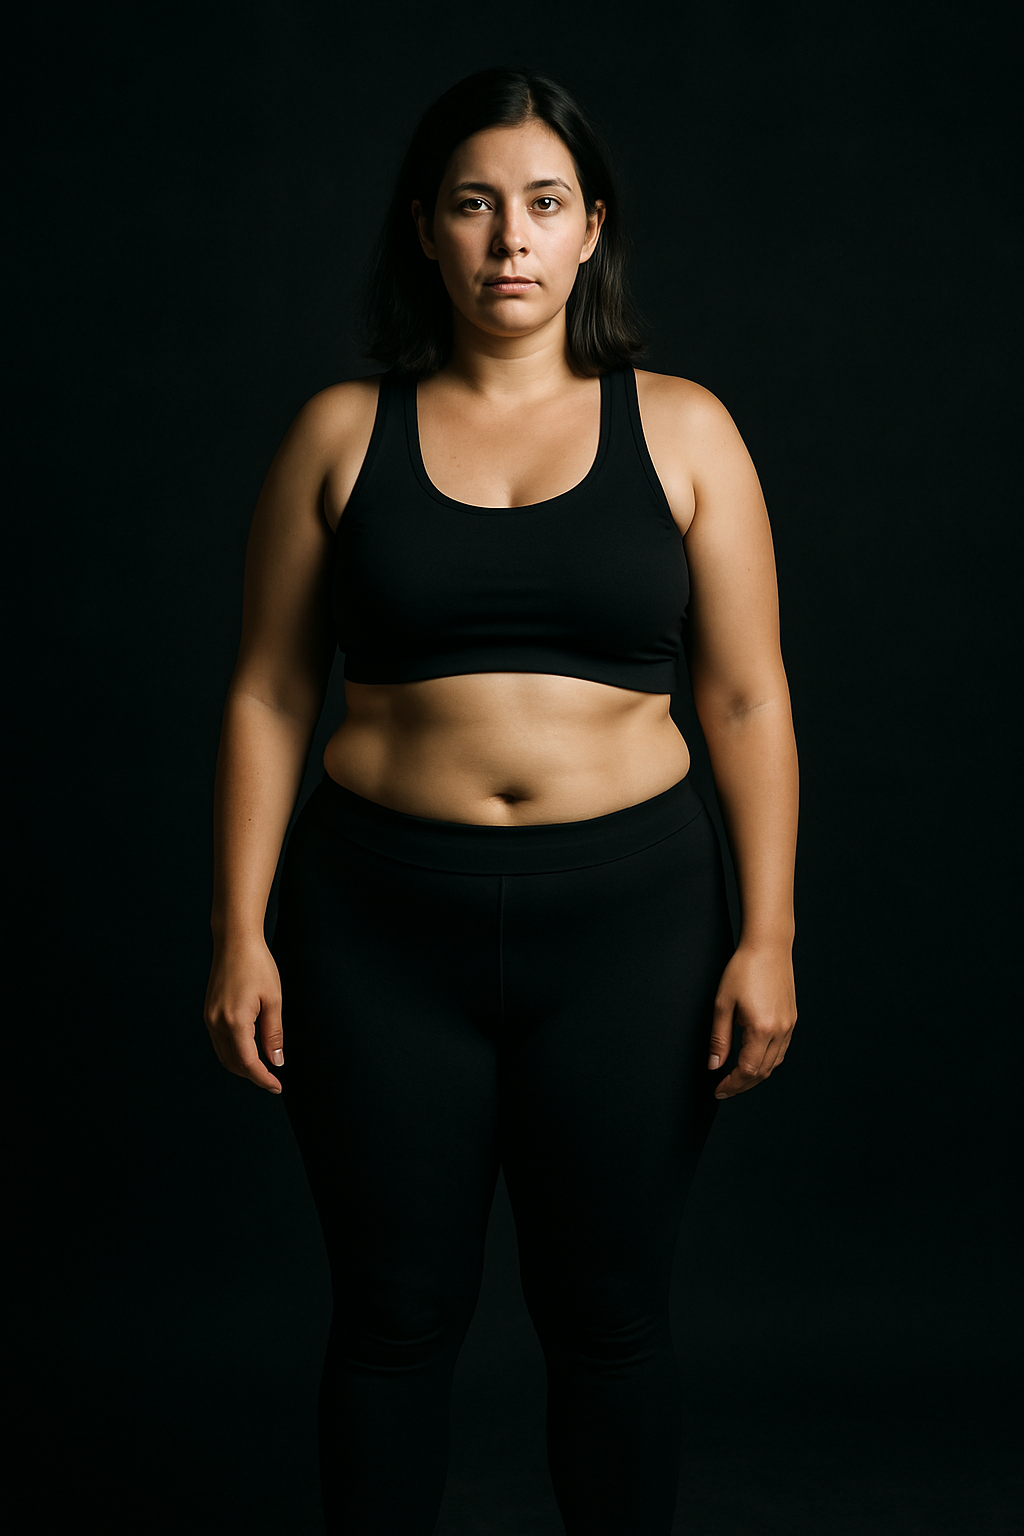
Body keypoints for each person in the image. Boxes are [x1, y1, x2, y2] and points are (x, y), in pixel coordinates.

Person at [203, 64, 798, 1536]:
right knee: (391, 1317)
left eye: (543, 204)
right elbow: (269, 694)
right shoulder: (340, 432)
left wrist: (769, 934)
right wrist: (238, 931)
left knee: (610, 1317)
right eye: (474, 204)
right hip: (376, 929)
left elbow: (746, 700)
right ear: (425, 229)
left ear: (592, 229)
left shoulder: (687, 430)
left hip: (634, 928)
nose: (509, 238)